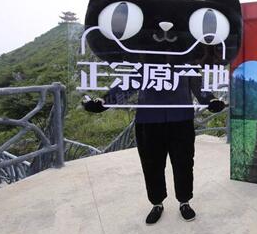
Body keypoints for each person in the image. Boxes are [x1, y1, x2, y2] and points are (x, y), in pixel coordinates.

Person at [83, 76, 225, 224]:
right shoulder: (146, 62)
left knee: (184, 163)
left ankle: (184, 201)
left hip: (181, 120)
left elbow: (198, 87)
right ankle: (157, 203)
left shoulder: (186, 63)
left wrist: (211, 100)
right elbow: (128, 85)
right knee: (151, 165)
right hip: (149, 121)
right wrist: (104, 102)